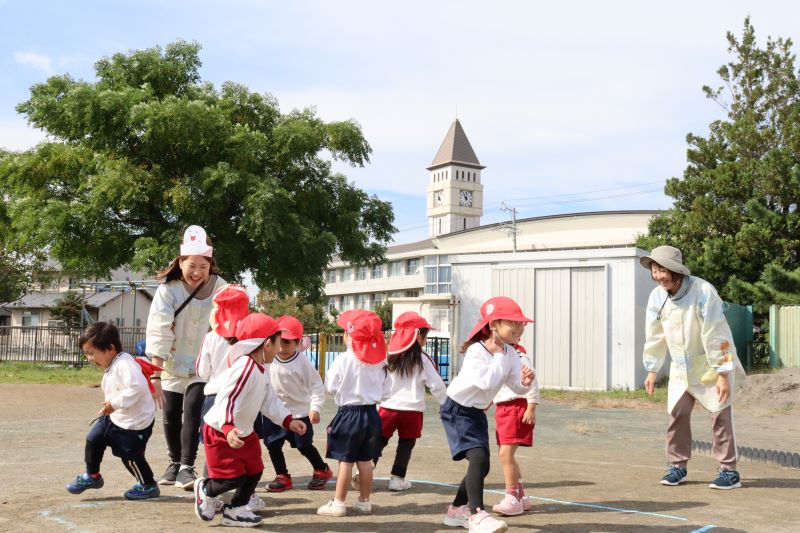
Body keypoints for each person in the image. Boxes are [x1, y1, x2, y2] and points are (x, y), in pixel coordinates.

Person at [641, 245, 746, 490]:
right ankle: (677, 466)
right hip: (680, 369)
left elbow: (716, 333)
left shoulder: (703, 291)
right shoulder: (657, 296)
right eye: (654, 270)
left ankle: (729, 471)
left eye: (663, 270)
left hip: (710, 365)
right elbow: (654, 334)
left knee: (720, 416)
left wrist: (722, 374)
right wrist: (652, 368)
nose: (658, 276)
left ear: (676, 270)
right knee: (676, 415)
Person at [194, 313, 307, 527]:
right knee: (232, 478)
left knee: (255, 470)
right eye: (277, 342)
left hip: (243, 432)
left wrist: (287, 420)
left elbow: (269, 400)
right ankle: (206, 490)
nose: (279, 348)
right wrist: (227, 428)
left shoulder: (261, 368)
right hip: (221, 432)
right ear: (266, 344)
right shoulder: (245, 367)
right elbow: (227, 398)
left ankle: (235, 510)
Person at [440, 296, 534, 533]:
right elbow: (486, 381)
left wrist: (523, 383)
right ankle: (477, 515)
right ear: (493, 325)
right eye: (513, 323)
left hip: (476, 413)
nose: (520, 328)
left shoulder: (511, 354)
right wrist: (501, 354)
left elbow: (513, 386)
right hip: (457, 410)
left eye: (521, 323)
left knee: (483, 466)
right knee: (478, 458)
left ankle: (455, 510)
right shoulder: (477, 351)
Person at [146, 225, 226, 491]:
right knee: (170, 414)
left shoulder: (220, 288)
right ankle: (174, 461)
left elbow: (229, 322)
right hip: (171, 363)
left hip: (203, 365)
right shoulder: (168, 290)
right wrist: (155, 375)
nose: (197, 272)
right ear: (180, 262)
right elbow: (158, 330)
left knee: (192, 410)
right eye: (191, 265)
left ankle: (186, 466)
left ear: (211, 265)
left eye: (203, 266)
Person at [66, 322, 160, 500]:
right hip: (116, 417)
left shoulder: (124, 364)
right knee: (93, 439)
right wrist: (113, 406)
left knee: (130, 456)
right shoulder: (115, 363)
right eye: (86, 353)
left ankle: (148, 485)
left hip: (134, 423)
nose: (89, 358)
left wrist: (114, 404)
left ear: (110, 348)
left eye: (92, 353)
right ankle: (92, 476)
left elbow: (138, 387)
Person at [316, 309, 390, 518]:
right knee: (366, 461)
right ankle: (364, 501)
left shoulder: (343, 360)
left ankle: (339, 503)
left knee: (346, 461)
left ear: (350, 336)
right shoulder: (380, 362)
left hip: (348, 414)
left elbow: (329, 386)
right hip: (371, 415)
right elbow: (386, 391)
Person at [374, 311, 447, 491]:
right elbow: (437, 386)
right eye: (425, 335)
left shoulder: (387, 357)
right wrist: (447, 405)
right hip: (412, 411)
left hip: (386, 408)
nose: (426, 339)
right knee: (406, 445)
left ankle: (366, 469)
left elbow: (376, 381)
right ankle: (397, 479)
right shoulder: (423, 359)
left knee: (377, 441)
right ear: (417, 336)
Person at [260, 315, 332, 492]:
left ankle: (322, 469)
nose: (283, 347)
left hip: (299, 413)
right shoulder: (268, 359)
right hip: (274, 413)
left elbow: (316, 386)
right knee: (273, 445)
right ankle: (282, 476)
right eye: (280, 342)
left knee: (303, 445)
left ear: (298, 343)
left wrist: (315, 407)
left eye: (288, 343)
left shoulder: (303, 362)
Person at [490, 343, 539, 516]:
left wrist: (531, 407)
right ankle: (521, 497)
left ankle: (512, 498)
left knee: (505, 454)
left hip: (516, 407)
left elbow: (532, 382)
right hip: (504, 408)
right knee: (506, 454)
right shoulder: (501, 356)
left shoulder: (519, 356)